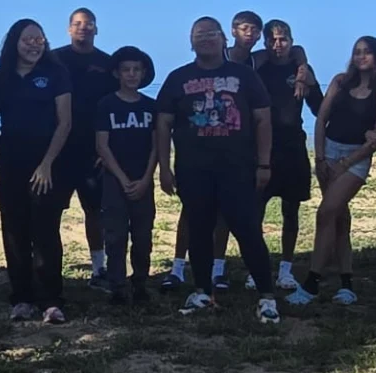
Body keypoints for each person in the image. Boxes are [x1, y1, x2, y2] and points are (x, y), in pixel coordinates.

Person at [154, 17, 281, 325]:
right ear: (190, 41)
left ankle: (267, 297)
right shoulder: (177, 78)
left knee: (247, 230)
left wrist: (264, 163)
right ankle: (201, 291)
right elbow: (163, 124)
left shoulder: (244, 76)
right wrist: (164, 168)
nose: (206, 39)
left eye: (211, 33)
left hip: (237, 169)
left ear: (224, 39)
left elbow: (263, 120)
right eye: (199, 34)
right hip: (193, 170)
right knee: (198, 230)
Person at [0, 19, 73, 324]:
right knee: (15, 232)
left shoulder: (55, 74)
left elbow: (65, 122)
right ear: (14, 43)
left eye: (39, 39)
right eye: (27, 39)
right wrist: (0, 145)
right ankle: (21, 298)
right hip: (11, 162)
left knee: (45, 231)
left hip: (48, 162)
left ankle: (51, 300)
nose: (34, 44)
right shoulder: (0, 77)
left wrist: (46, 164)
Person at [288, 37, 376, 306]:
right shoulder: (339, 82)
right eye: (357, 52)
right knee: (339, 218)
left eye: (367, 53)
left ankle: (312, 283)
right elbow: (322, 118)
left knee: (326, 212)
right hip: (329, 152)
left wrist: (346, 164)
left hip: (355, 159)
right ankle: (346, 283)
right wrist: (321, 157)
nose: (361, 57)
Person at [257, 20, 323, 290]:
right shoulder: (257, 68)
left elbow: (319, 108)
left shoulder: (301, 70)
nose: (277, 44)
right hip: (263, 149)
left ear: (291, 41)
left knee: (291, 211)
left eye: (283, 39)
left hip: (294, 147)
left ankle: (286, 269)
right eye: (272, 40)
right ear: (265, 43)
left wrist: (311, 80)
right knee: (256, 211)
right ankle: (257, 267)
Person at [54, 8, 117, 288]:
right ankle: (48, 267)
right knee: (51, 211)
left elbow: (116, 105)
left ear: (96, 29)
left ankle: (99, 269)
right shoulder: (53, 59)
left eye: (89, 24)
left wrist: (108, 150)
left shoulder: (107, 64)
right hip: (58, 149)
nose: (83, 28)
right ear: (69, 29)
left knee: (95, 212)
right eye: (78, 24)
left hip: (93, 151)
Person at [93, 46, 157, 306]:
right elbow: (102, 146)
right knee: (116, 235)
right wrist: (121, 177)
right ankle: (118, 285)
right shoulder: (106, 104)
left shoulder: (151, 106)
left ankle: (140, 282)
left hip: (143, 180)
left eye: (136, 70)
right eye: (126, 70)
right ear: (117, 73)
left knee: (143, 236)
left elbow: (157, 145)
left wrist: (146, 178)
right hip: (114, 180)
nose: (131, 75)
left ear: (143, 73)